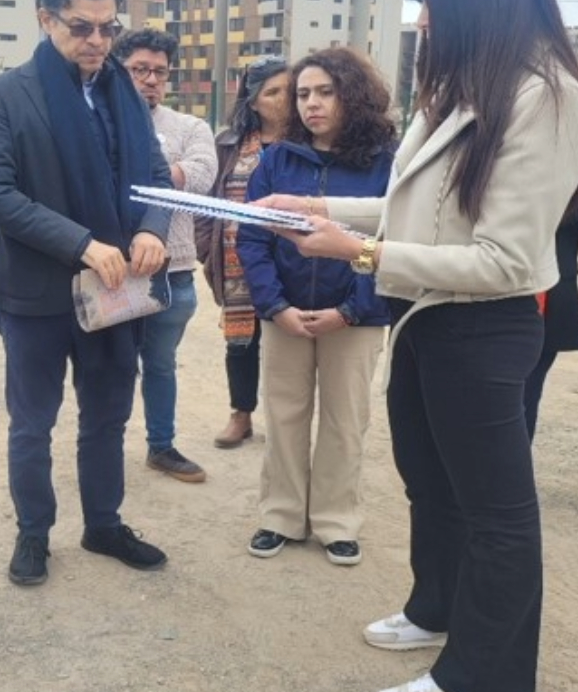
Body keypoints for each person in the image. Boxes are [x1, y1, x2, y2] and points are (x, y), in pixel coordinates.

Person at [252, 0, 578, 689]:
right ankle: (435, 607)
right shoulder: (463, 88)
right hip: (424, 316)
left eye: (432, 4)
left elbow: (503, 260)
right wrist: (319, 208)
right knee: (429, 485)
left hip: (483, 326)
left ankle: (481, 674)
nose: (424, 23)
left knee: (496, 514)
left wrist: (360, 253)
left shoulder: (545, 96)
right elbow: (417, 208)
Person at [0, 0, 174, 587]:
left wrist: (152, 229)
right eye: (82, 27)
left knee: (108, 416)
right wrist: (81, 244)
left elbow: (155, 174)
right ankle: (33, 533)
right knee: (33, 423)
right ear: (45, 18)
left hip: (117, 289)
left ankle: (103, 524)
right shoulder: (4, 96)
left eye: (109, 28)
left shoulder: (123, 90)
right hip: (36, 293)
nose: (97, 41)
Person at [236, 48, 393, 565]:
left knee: (345, 421)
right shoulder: (277, 160)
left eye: (325, 91)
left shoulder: (386, 164)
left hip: (356, 319)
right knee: (284, 416)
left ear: (354, 94)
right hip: (286, 315)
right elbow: (253, 238)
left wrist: (351, 310)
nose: (312, 104)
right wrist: (275, 305)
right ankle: (280, 515)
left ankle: (335, 521)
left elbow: (394, 243)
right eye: (303, 93)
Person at [111, 28, 219, 483]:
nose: (151, 79)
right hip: (113, 269)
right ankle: (104, 447)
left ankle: (161, 446)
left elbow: (202, 175)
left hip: (173, 270)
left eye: (159, 71)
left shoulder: (190, 127)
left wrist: (144, 173)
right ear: (119, 70)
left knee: (160, 364)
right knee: (111, 367)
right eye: (139, 69)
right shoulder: (100, 120)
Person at [194, 56, 292, 449]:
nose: (284, 99)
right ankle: (241, 415)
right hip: (238, 264)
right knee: (241, 342)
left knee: (288, 345)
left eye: (289, 90)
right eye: (273, 92)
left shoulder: (308, 144)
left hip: (293, 262)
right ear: (253, 102)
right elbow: (207, 201)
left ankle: (286, 422)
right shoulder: (228, 145)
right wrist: (208, 250)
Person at [524, 161, 578, 440]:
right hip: (493, 280)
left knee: (526, 391)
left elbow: (559, 215)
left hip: (549, 286)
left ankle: (511, 463)